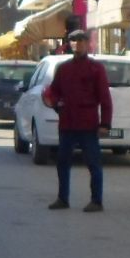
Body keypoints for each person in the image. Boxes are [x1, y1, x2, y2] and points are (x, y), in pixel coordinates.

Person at [42, 28, 112, 212]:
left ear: (87, 44)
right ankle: (62, 198)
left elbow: (105, 98)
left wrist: (105, 123)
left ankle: (96, 201)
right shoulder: (64, 68)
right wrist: (56, 103)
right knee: (62, 163)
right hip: (67, 123)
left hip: (88, 124)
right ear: (69, 44)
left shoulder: (96, 68)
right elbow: (54, 90)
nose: (77, 44)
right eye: (73, 41)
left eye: (80, 41)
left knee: (93, 164)